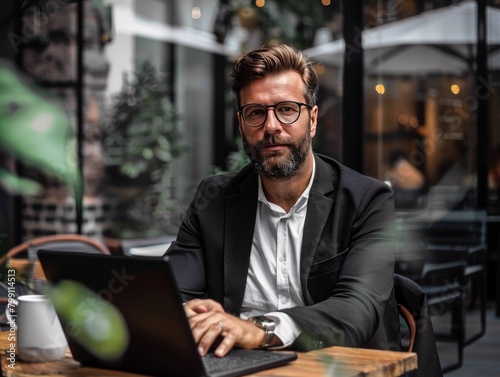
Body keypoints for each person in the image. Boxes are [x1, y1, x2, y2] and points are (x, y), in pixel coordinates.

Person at [165, 44, 400, 358]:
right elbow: (172, 293)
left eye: (287, 109)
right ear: (241, 125)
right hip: (238, 366)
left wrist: (260, 330)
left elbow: (357, 309)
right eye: (256, 113)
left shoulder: (367, 201)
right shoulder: (214, 201)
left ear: (313, 120)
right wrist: (187, 310)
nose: (271, 126)